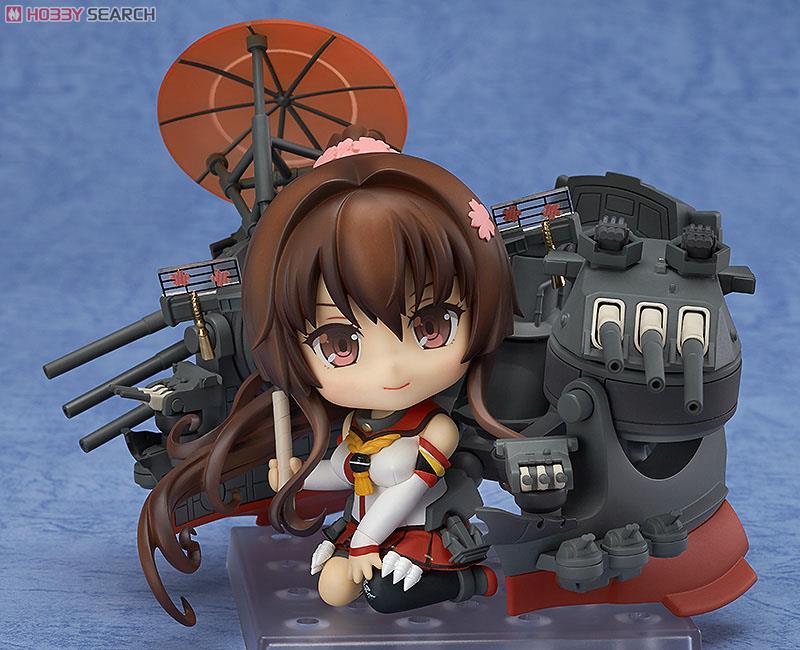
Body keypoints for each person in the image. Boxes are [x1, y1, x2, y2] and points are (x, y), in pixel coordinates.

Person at [138, 126, 520, 625]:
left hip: (417, 532)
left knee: (383, 595)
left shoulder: (437, 430)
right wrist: (297, 475)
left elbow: (405, 492)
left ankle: (475, 580)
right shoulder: (357, 427)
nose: (392, 368)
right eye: (341, 345)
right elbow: (344, 471)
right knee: (335, 588)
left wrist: (366, 542)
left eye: (431, 326)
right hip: (362, 528)